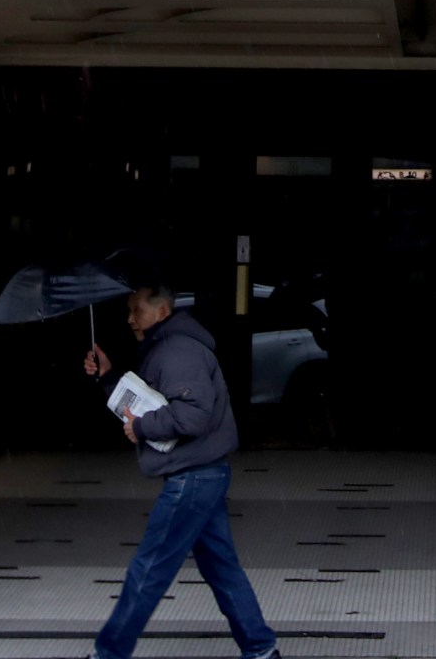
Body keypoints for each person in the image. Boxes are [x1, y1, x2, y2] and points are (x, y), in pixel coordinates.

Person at [83, 272, 279, 659]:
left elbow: (191, 417)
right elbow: (149, 401)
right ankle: (260, 649)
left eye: (136, 310)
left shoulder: (177, 351)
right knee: (222, 569)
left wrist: (141, 428)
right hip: (203, 473)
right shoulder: (169, 347)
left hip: (193, 478)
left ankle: (108, 654)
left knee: (149, 568)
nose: (130, 318)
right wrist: (109, 379)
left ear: (162, 311)